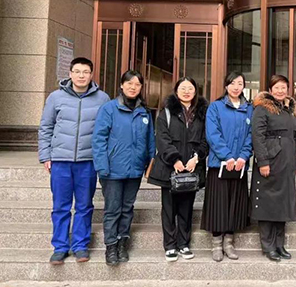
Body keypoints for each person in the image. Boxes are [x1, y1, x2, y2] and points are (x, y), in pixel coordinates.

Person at [38, 57, 110, 265]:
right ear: (70, 74)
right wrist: (45, 155)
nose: (81, 76)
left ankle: (80, 245)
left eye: (85, 72)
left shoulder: (102, 98)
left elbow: (107, 130)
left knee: (84, 205)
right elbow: (46, 127)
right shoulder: (56, 97)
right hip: (60, 160)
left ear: (91, 75)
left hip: (88, 161)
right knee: (61, 205)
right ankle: (60, 247)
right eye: (77, 71)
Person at [92, 70, 155, 266]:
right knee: (113, 209)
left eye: (137, 84)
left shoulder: (144, 111)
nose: (133, 87)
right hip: (112, 169)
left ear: (141, 87)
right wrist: (102, 166)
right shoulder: (109, 109)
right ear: (121, 85)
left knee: (127, 208)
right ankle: (111, 246)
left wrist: (149, 163)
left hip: (135, 169)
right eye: (129, 83)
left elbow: (150, 140)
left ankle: (122, 243)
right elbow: (99, 139)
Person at [148, 77, 209, 262]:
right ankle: (170, 245)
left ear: (195, 91)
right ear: (176, 90)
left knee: (186, 208)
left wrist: (196, 158)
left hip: (191, 168)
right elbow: (162, 139)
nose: (186, 91)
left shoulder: (202, 113)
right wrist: (174, 159)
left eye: (190, 88)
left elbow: (206, 140)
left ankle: (184, 244)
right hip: (169, 168)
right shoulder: (166, 112)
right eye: (183, 88)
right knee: (169, 209)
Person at [202, 71, 253, 262]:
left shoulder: (249, 108)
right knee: (218, 204)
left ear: (244, 86)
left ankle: (229, 243)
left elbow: (251, 135)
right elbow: (212, 134)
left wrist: (243, 157)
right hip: (220, 165)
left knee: (234, 205)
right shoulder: (215, 107)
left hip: (239, 165)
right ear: (226, 86)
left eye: (239, 83)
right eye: (232, 83)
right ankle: (216, 243)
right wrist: (227, 156)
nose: (236, 87)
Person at [251, 75, 296, 262]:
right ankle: (268, 246)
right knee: (267, 204)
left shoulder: (289, 110)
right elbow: (257, 136)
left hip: (286, 163)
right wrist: (263, 161)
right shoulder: (262, 109)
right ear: (270, 90)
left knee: (282, 205)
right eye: (277, 87)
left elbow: (294, 138)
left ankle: (280, 245)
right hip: (270, 162)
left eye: (283, 87)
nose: (280, 91)